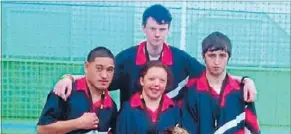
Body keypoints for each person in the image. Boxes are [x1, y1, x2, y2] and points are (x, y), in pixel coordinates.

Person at [53, 4, 257, 105]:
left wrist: (246, 80)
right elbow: (100, 79)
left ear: (168, 29)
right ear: (143, 28)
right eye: (152, 29)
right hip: (131, 132)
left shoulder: (181, 60)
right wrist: (69, 77)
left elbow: (213, 74)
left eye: (162, 29)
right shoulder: (126, 58)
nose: (157, 34)